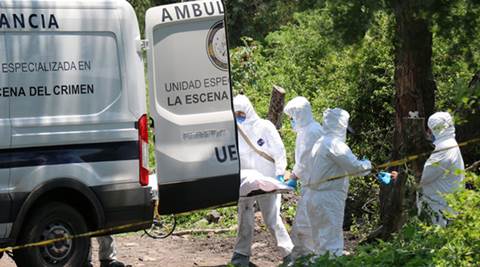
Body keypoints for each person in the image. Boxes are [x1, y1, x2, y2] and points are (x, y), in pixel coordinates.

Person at [231, 95, 294, 267]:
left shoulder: (265, 127)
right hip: (246, 181)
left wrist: (280, 174)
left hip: (266, 180)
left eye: (241, 112)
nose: (239, 116)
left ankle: (289, 254)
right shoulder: (234, 130)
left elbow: (279, 152)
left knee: (271, 218)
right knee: (244, 216)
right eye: (235, 113)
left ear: (249, 110)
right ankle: (241, 255)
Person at [304, 108, 371, 257]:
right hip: (328, 199)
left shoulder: (320, 142)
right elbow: (356, 168)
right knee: (331, 244)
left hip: (315, 197)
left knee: (321, 244)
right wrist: (367, 164)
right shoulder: (335, 145)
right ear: (341, 125)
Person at [283, 97, 323, 260]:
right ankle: (300, 257)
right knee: (302, 225)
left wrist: (293, 177)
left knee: (305, 226)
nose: (291, 121)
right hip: (310, 185)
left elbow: (305, 160)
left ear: (299, 115)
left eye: (292, 118)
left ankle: (307, 259)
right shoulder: (307, 130)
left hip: (315, 186)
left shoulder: (311, 131)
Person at [418, 112, 464, 227]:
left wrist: (399, 178)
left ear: (435, 129)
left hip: (439, 211)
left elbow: (422, 178)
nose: (428, 133)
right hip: (444, 207)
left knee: (436, 243)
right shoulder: (449, 144)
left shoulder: (443, 149)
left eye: (429, 129)